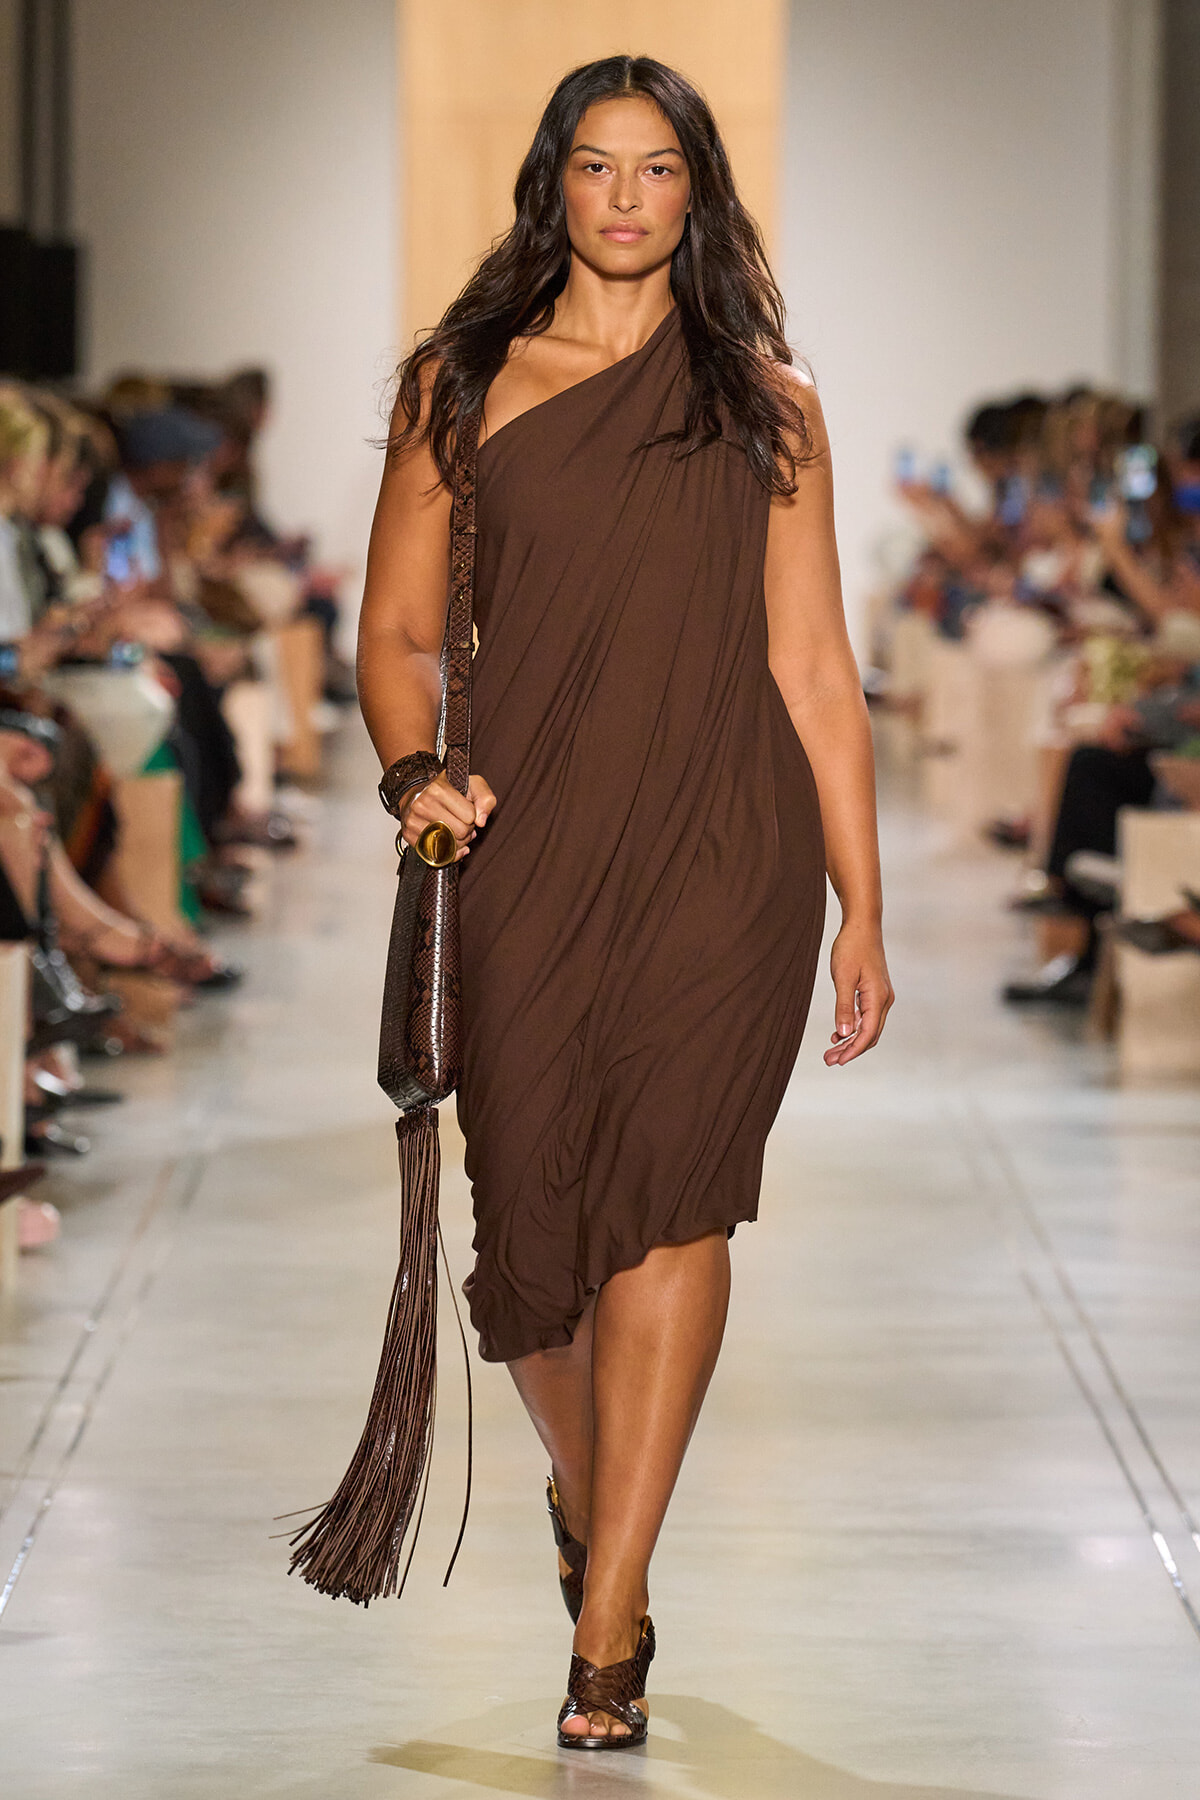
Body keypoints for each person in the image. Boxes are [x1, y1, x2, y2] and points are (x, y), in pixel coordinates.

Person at [356, 56, 893, 1750]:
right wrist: (406, 770)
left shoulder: (767, 402)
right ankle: (605, 1512)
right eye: (594, 167)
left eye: (657, 168)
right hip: (522, 845)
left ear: (695, 191)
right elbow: (392, 638)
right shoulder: (461, 383)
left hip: (724, 853)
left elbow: (815, 669)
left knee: (672, 1202)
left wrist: (861, 908)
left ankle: (610, 1613)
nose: (625, 197)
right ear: (554, 187)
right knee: (530, 1248)